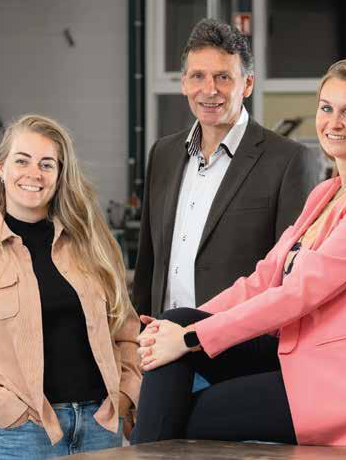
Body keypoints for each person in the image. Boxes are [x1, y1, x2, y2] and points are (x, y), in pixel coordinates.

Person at [131, 58, 346, 447]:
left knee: (179, 409)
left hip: (338, 384)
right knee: (175, 319)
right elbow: (264, 278)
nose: (333, 123)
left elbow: (298, 295)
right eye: (326, 108)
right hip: (295, 360)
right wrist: (179, 330)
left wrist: (191, 338)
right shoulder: (326, 194)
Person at [0, 115, 141, 459]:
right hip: (22, 434)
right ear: (1, 169)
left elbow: (127, 329)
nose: (34, 174)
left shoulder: (94, 246)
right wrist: (6, 410)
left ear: (60, 176)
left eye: (47, 164)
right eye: (22, 161)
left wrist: (124, 396)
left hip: (99, 426)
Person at [132, 18, 318, 318]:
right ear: (184, 83)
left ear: (248, 84)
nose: (209, 90)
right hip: (162, 338)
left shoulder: (288, 161)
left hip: (239, 344)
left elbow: (290, 279)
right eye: (198, 76)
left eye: (223, 77)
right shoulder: (163, 154)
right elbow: (148, 264)